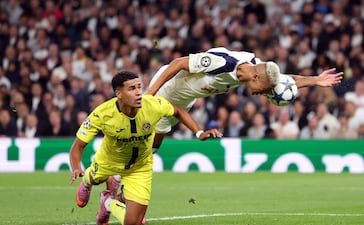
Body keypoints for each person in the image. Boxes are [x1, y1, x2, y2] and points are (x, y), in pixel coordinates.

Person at [69, 71, 222, 225]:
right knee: (94, 179)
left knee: (136, 223)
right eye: (132, 89)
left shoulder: (152, 105)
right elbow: (78, 146)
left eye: (139, 87)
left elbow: (177, 110)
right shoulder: (102, 114)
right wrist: (76, 168)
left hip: (140, 168)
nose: (138, 93)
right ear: (119, 93)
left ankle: (108, 202)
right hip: (109, 162)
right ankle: (87, 183)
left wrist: (199, 132)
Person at [146, 47, 343, 152]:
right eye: (264, 90)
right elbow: (178, 63)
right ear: (256, 78)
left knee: (152, 145)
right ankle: (120, 186)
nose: (263, 95)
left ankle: (119, 182)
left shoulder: (257, 68)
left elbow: (286, 80)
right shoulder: (222, 63)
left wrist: (315, 80)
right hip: (168, 88)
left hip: (186, 99)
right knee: (149, 140)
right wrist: (150, 93)